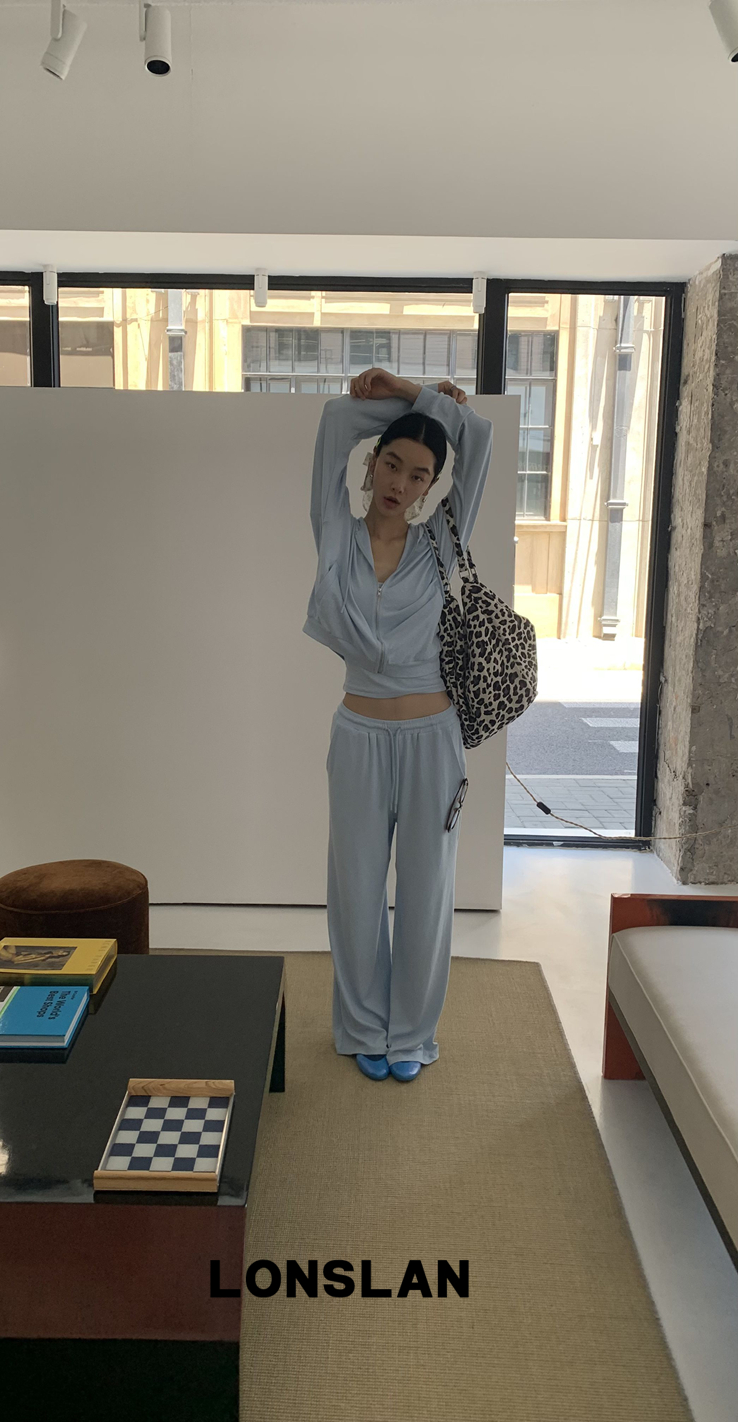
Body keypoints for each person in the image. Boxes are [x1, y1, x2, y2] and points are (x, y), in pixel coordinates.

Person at [303, 366, 494, 1083]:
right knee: (355, 890)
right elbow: (334, 422)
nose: (400, 483)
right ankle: (362, 1027)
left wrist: (423, 396)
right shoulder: (335, 532)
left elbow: (479, 438)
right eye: (391, 463)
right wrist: (391, 396)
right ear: (372, 462)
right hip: (357, 737)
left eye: (419, 474)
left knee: (426, 891)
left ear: (432, 486)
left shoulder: (443, 537)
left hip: (432, 741)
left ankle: (411, 1034)